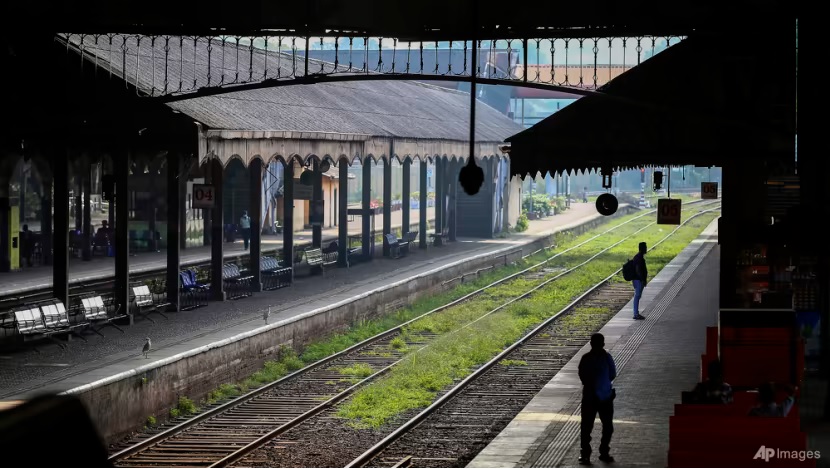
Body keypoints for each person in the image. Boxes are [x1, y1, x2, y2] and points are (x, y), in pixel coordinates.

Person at [578, 333, 617, 464]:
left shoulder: (586, 358)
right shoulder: (607, 358)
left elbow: (582, 376)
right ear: (603, 344)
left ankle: (585, 454)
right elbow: (612, 374)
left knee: (586, 427)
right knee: (607, 426)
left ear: (591, 344)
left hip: (589, 398)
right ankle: (604, 452)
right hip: (605, 397)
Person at [632, 242, 647, 320]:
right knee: (637, 296)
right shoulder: (639, 258)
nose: (646, 249)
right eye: (645, 247)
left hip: (638, 280)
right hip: (638, 280)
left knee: (637, 296)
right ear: (642, 248)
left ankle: (636, 313)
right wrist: (642, 279)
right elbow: (638, 270)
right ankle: (636, 314)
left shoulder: (638, 257)